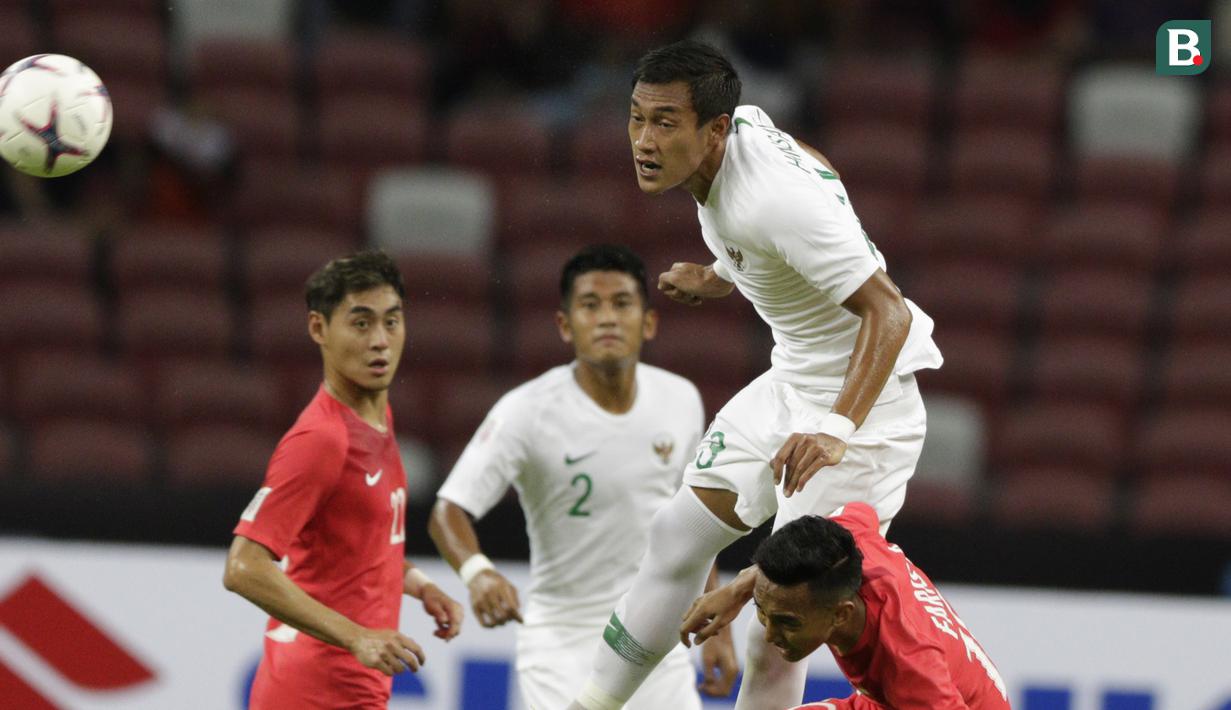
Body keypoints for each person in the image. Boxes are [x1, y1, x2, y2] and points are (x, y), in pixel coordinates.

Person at [569, 39, 943, 710]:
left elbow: (887, 314)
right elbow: (811, 186)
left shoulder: (771, 201)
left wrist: (835, 429)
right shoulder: (743, 129)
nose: (642, 141)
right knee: (676, 537)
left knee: (777, 627)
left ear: (711, 130)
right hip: (789, 384)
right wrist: (722, 275)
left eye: (663, 123)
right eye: (635, 118)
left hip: (863, 413)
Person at [428, 244, 740, 709]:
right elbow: (446, 512)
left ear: (648, 322)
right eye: (590, 306)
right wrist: (478, 573)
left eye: (622, 304)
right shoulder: (527, 411)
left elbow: (694, 522)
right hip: (561, 644)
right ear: (564, 325)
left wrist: (717, 627)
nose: (608, 318)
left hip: (655, 636)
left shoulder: (681, 400)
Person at [223, 251, 465, 709]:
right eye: (360, 323)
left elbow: (360, 551)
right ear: (319, 329)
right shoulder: (321, 440)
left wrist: (420, 586)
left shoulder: (376, 417)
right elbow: (243, 567)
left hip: (351, 692)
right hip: (312, 693)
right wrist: (358, 638)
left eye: (391, 322)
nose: (380, 341)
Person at [679, 503, 1010, 709]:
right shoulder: (847, 544)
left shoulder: (909, 662)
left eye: (788, 622)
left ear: (841, 614)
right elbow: (858, 510)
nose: (770, 635)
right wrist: (738, 588)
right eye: (761, 611)